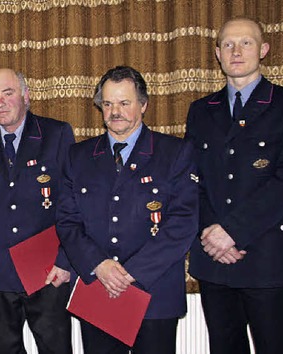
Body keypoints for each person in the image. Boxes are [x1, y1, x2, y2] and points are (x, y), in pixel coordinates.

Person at [185, 17, 283, 354]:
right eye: (228, 44)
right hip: (214, 258)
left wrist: (232, 232)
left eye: (246, 43)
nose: (236, 51)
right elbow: (192, 180)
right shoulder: (201, 110)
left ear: (264, 49)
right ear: (217, 53)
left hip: (266, 258)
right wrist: (211, 235)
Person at [56, 66, 198, 354]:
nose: (114, 111)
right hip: (98, 287)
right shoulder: (79, 156)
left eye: (124, 103)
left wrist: (130, 272)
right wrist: (100, 265)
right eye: (107, 104)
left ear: (143, 105)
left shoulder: (174, 153)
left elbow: (183, 221)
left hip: (153, 292)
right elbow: (67, 220)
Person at [0, 68, 75, 354]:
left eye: (8, 93)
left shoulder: (56, 134)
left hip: (47, 270)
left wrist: (66, 261)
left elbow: (71, 203)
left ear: (26, 96)